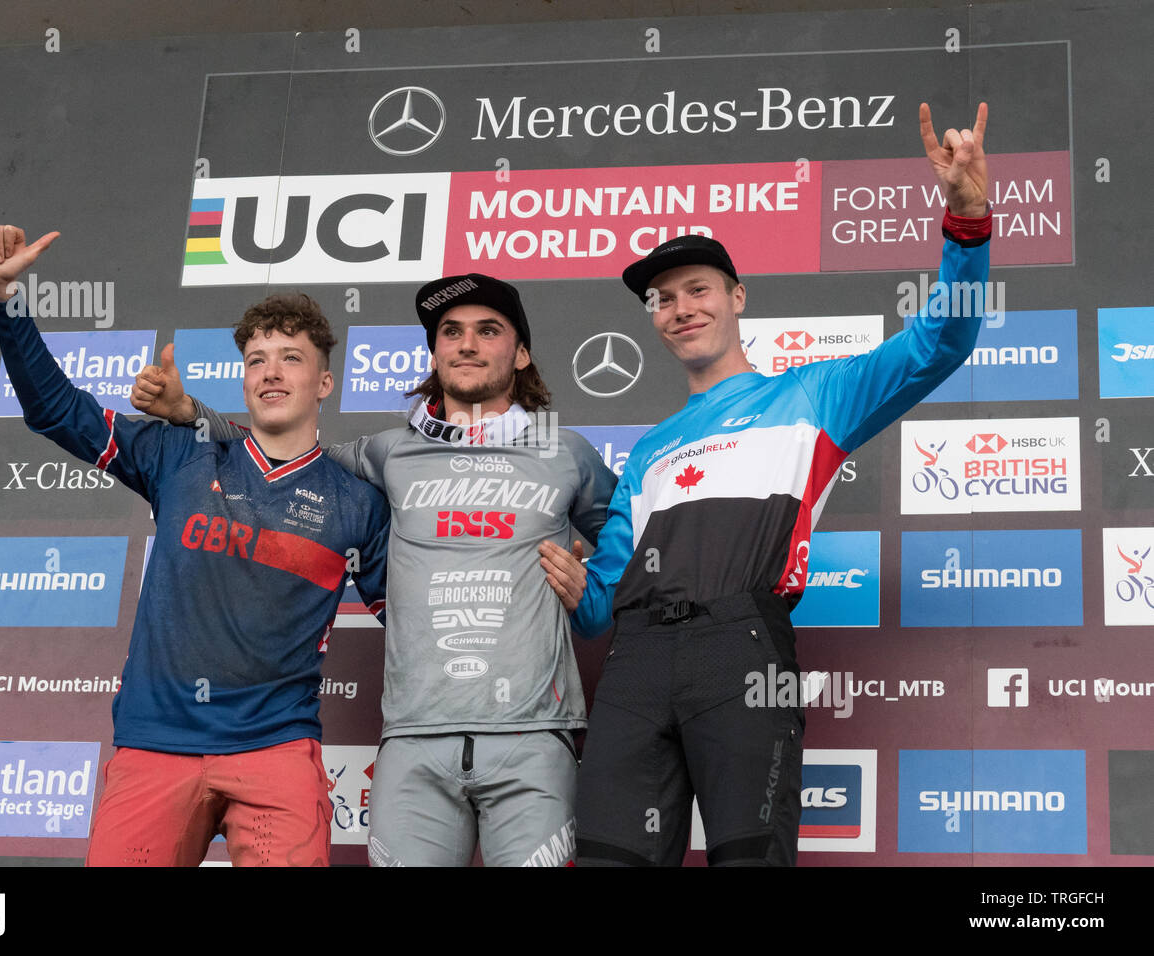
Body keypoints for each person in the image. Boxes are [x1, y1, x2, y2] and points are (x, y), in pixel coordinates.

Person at [538, 102, 994, 866]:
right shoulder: (649, 450)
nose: (682, 309)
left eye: (698, 289)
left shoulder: (813, 398)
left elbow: (940, 342)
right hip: (637, 665)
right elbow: (597, 612)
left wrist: (968, 219)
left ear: (737, 296)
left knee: (751, 857)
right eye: (664, 299)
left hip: (741, 653)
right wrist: (564, 579)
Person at [132, 273, 617, 866]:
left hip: (533, 733)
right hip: (414, 737)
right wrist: (190, 411)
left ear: (519, 353)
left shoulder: (568, 453)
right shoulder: (388, 452)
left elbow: (635, 549)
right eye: (450, 332)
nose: (466, 344)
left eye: (487, 331)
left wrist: (593, 600)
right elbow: (281, 454)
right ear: (435, 352)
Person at [0, 224, 389, 866]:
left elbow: (418, 624)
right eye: (257, 360)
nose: (271, 373)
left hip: (276, 751)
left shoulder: (358, 502)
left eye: (291, 358)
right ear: (243, 379)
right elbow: (56, 410)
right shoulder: (178, 455)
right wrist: (6, 302)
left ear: (325, 383)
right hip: (156, 744)